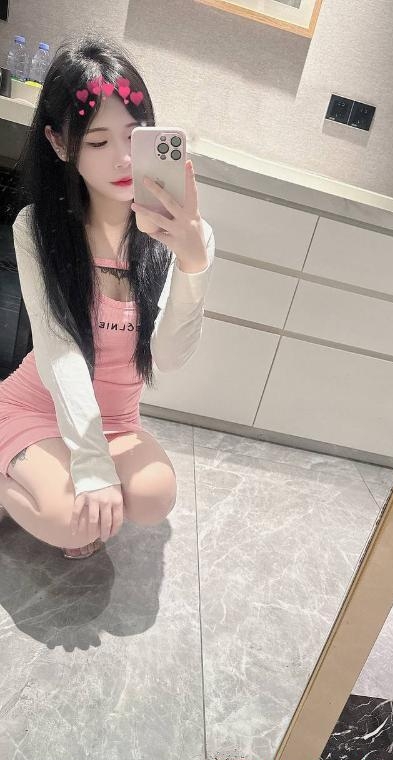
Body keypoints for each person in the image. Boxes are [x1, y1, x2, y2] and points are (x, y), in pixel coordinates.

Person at [0, 34, 215, 559]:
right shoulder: (37, 228)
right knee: (73, 524)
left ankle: (60, 475)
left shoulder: (186, 236)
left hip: (117, 419)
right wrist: (92, 465)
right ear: (59, 144)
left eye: (134, 137)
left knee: (155, 495)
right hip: (38, 403)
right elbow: (59, 351)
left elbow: (168, 358)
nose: (122, 159)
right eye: (97, 142)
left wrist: (192, 263)